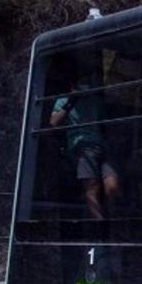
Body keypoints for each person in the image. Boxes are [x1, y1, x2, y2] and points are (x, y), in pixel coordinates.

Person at [50, 76, 119, 219]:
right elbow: (53, 122)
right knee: (92, 187)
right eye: (80, 84)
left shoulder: (96, 101)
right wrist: (72, 101)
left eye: (86, 84)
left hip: (101, 146)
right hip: (81, 146)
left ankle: (112, 219)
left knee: (112, 186)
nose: (84, 87)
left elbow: (106, 124)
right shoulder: (63, 100)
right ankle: (101, 226)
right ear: (72, 86)